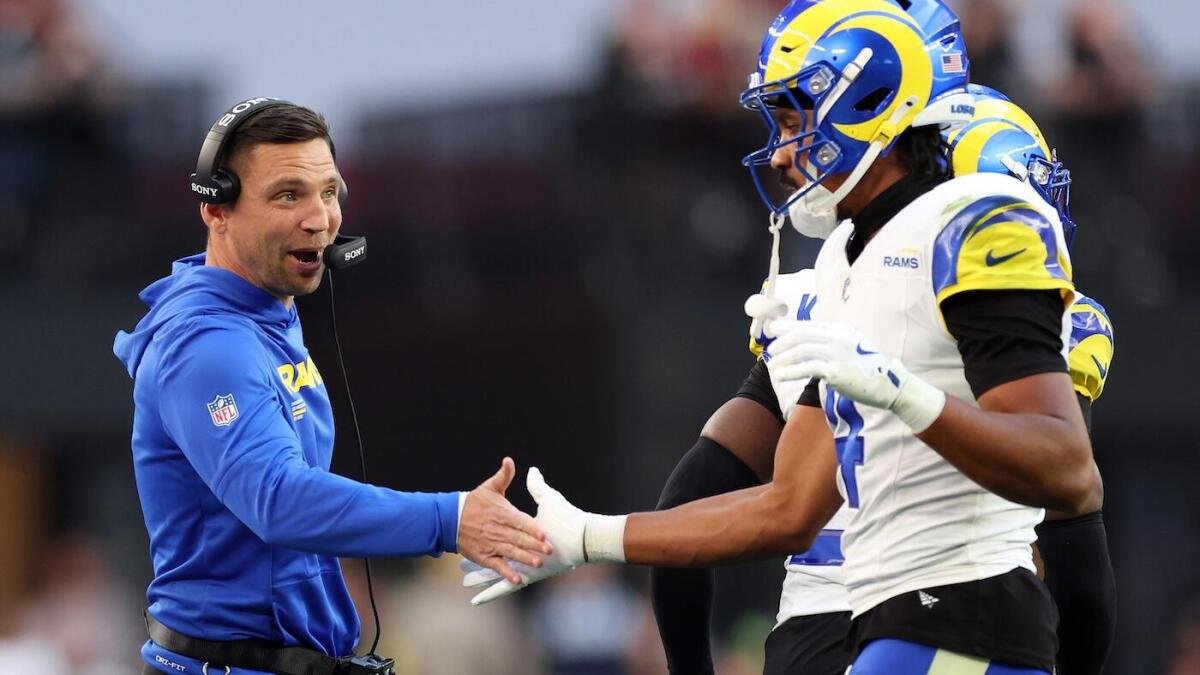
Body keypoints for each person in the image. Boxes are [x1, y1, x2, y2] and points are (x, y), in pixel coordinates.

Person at [466, 2, 1102, 673]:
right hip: (884, 619)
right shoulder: (840, 264)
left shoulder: (974, 219)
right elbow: (791, 508)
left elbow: (1066, 472)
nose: (780, 151)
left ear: (865, 103)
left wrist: (906, 396)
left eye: (796, 122)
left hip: (969, 617)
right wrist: (590, 536)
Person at [114, 98, 551, 675]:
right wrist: (449, 519)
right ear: (217, 209)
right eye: (287, 195)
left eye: (328, 192)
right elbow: (277, 498)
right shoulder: (207, 346)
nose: (319, 218)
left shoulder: (265, 313)